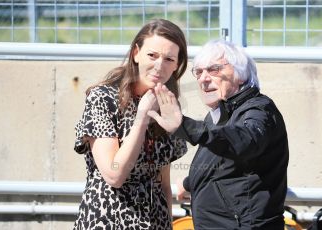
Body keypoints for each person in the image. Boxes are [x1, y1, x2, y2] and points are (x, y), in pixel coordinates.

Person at [148, 39, 289, 229]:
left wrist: (185, 125)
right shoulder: (221, 112)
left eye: (214, 69)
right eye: (198, 72)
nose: (203, 79)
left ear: (240, 75)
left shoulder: (259, 111)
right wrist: (191, 183)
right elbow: (222, 159)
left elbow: (242, 141)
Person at [73, 19, 188, 229]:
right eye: (152, 55)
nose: (159, 66)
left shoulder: (168, 103)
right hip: (108, 220)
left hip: (155, 222)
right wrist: (142, 118)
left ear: (177, 66)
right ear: (136, 53)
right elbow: (114, 175)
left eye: (169, 59)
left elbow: (163, 184)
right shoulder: (103, 98)